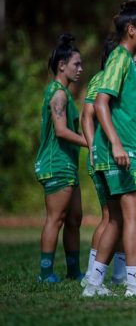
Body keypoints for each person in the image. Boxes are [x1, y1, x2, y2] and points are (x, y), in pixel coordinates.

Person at [83, 0, 136, 298]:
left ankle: (93, 284)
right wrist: (116, 144)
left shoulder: (126, 64)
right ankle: (133, 285)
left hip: (128, 149)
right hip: (121, 154)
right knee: (134, 214)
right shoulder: (120, 59)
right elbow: (101, 104)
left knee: (119, 218)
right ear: (131, 30)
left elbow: (125, 113)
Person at [34, 34, 87, 283]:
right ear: (62, 65)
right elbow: (61, 131)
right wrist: (91, 142)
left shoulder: (64, 94)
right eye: (76, 64)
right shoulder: (59, 94)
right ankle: (45, 272)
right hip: (56, 164)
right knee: (56, 219)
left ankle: (74, 270)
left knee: (75, 218)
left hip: (68, 165)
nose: (81, 69)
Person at [80, 39, 126, 287]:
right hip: (105, 157)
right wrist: (93, 148)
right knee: (112, 216)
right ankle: (93, 275)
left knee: (116, 216)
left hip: (110, 155)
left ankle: (115, 276)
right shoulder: (102, 79)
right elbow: (86, 116)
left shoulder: (113, 78)